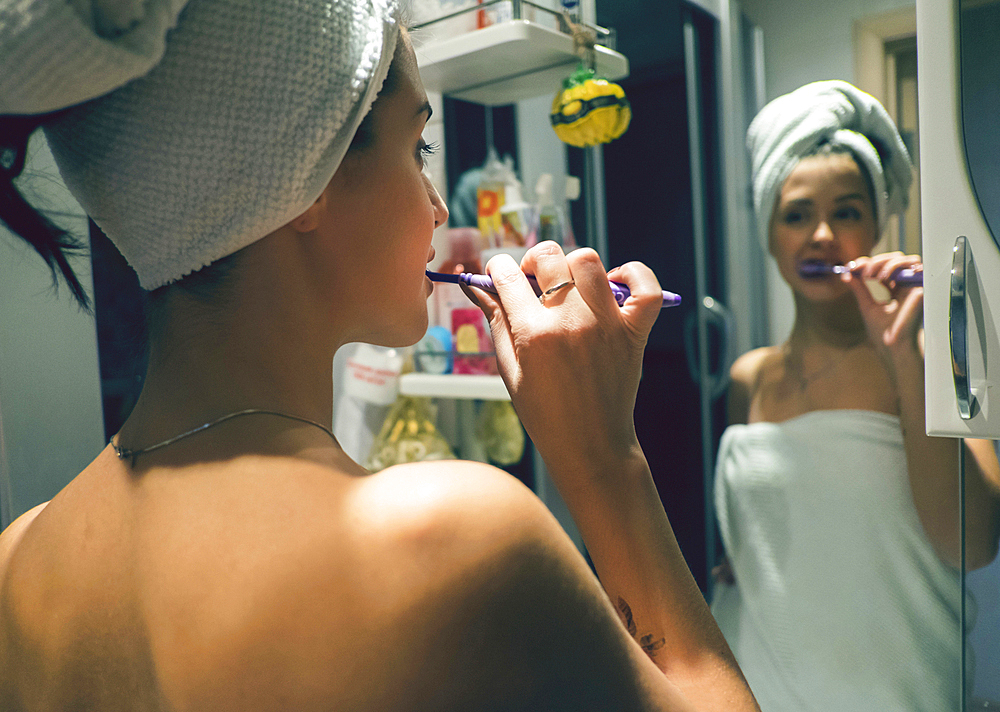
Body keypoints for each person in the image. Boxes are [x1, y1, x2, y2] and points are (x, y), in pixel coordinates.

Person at [0, 1, 760, 710]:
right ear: (308, 182)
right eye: (417, 144)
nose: (438, 208)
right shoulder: (450, 542)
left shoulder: (17, 562)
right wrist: (603, 455)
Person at [710, 79, 1000, 711]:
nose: (821, 234)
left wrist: (906, 355)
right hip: (761, 689)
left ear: (875, 224)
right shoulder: (747, 380)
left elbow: (974, 544)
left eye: (846, 211)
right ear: (769, 236)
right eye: (796, 214)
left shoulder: (933, 366)